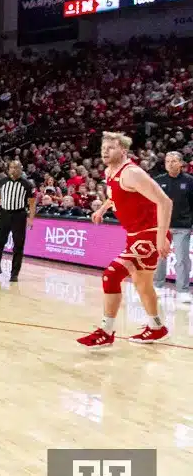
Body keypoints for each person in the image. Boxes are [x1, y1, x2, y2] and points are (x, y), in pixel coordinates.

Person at [78, 132, 173, 347]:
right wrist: (102, 208)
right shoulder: (111, 171)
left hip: (149, 234)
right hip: (135, 235)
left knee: (111, 275)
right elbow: (117, 196)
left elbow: (165, 203)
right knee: (142, 284)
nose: (104, 151)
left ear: (123, 150)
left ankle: (106, 331)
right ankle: (157, 328)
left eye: (110, 148)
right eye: (103, 148)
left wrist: (160, 236)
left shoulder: (132, 173)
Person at [0, 159, 36, 282]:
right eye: (12, 167)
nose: (14, 169)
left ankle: (14, 274)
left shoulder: (27, 184)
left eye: (17, 167)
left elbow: (32, 204)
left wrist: (31, 219)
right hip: (3, 214)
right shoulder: (2, 182)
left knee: (18, 245)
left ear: (21, 169)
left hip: (19, 215)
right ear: (9, 169)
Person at [153, 151, 192, 304]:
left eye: (174, 161)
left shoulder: (190, 181)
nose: (170, 163)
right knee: (160, 257)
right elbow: (153, 203)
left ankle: (182, 291)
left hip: (183, 226)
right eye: (168, 161)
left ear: (181, 163)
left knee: (182, 258)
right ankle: (157, 286)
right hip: (162, 226)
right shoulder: (158, 180)